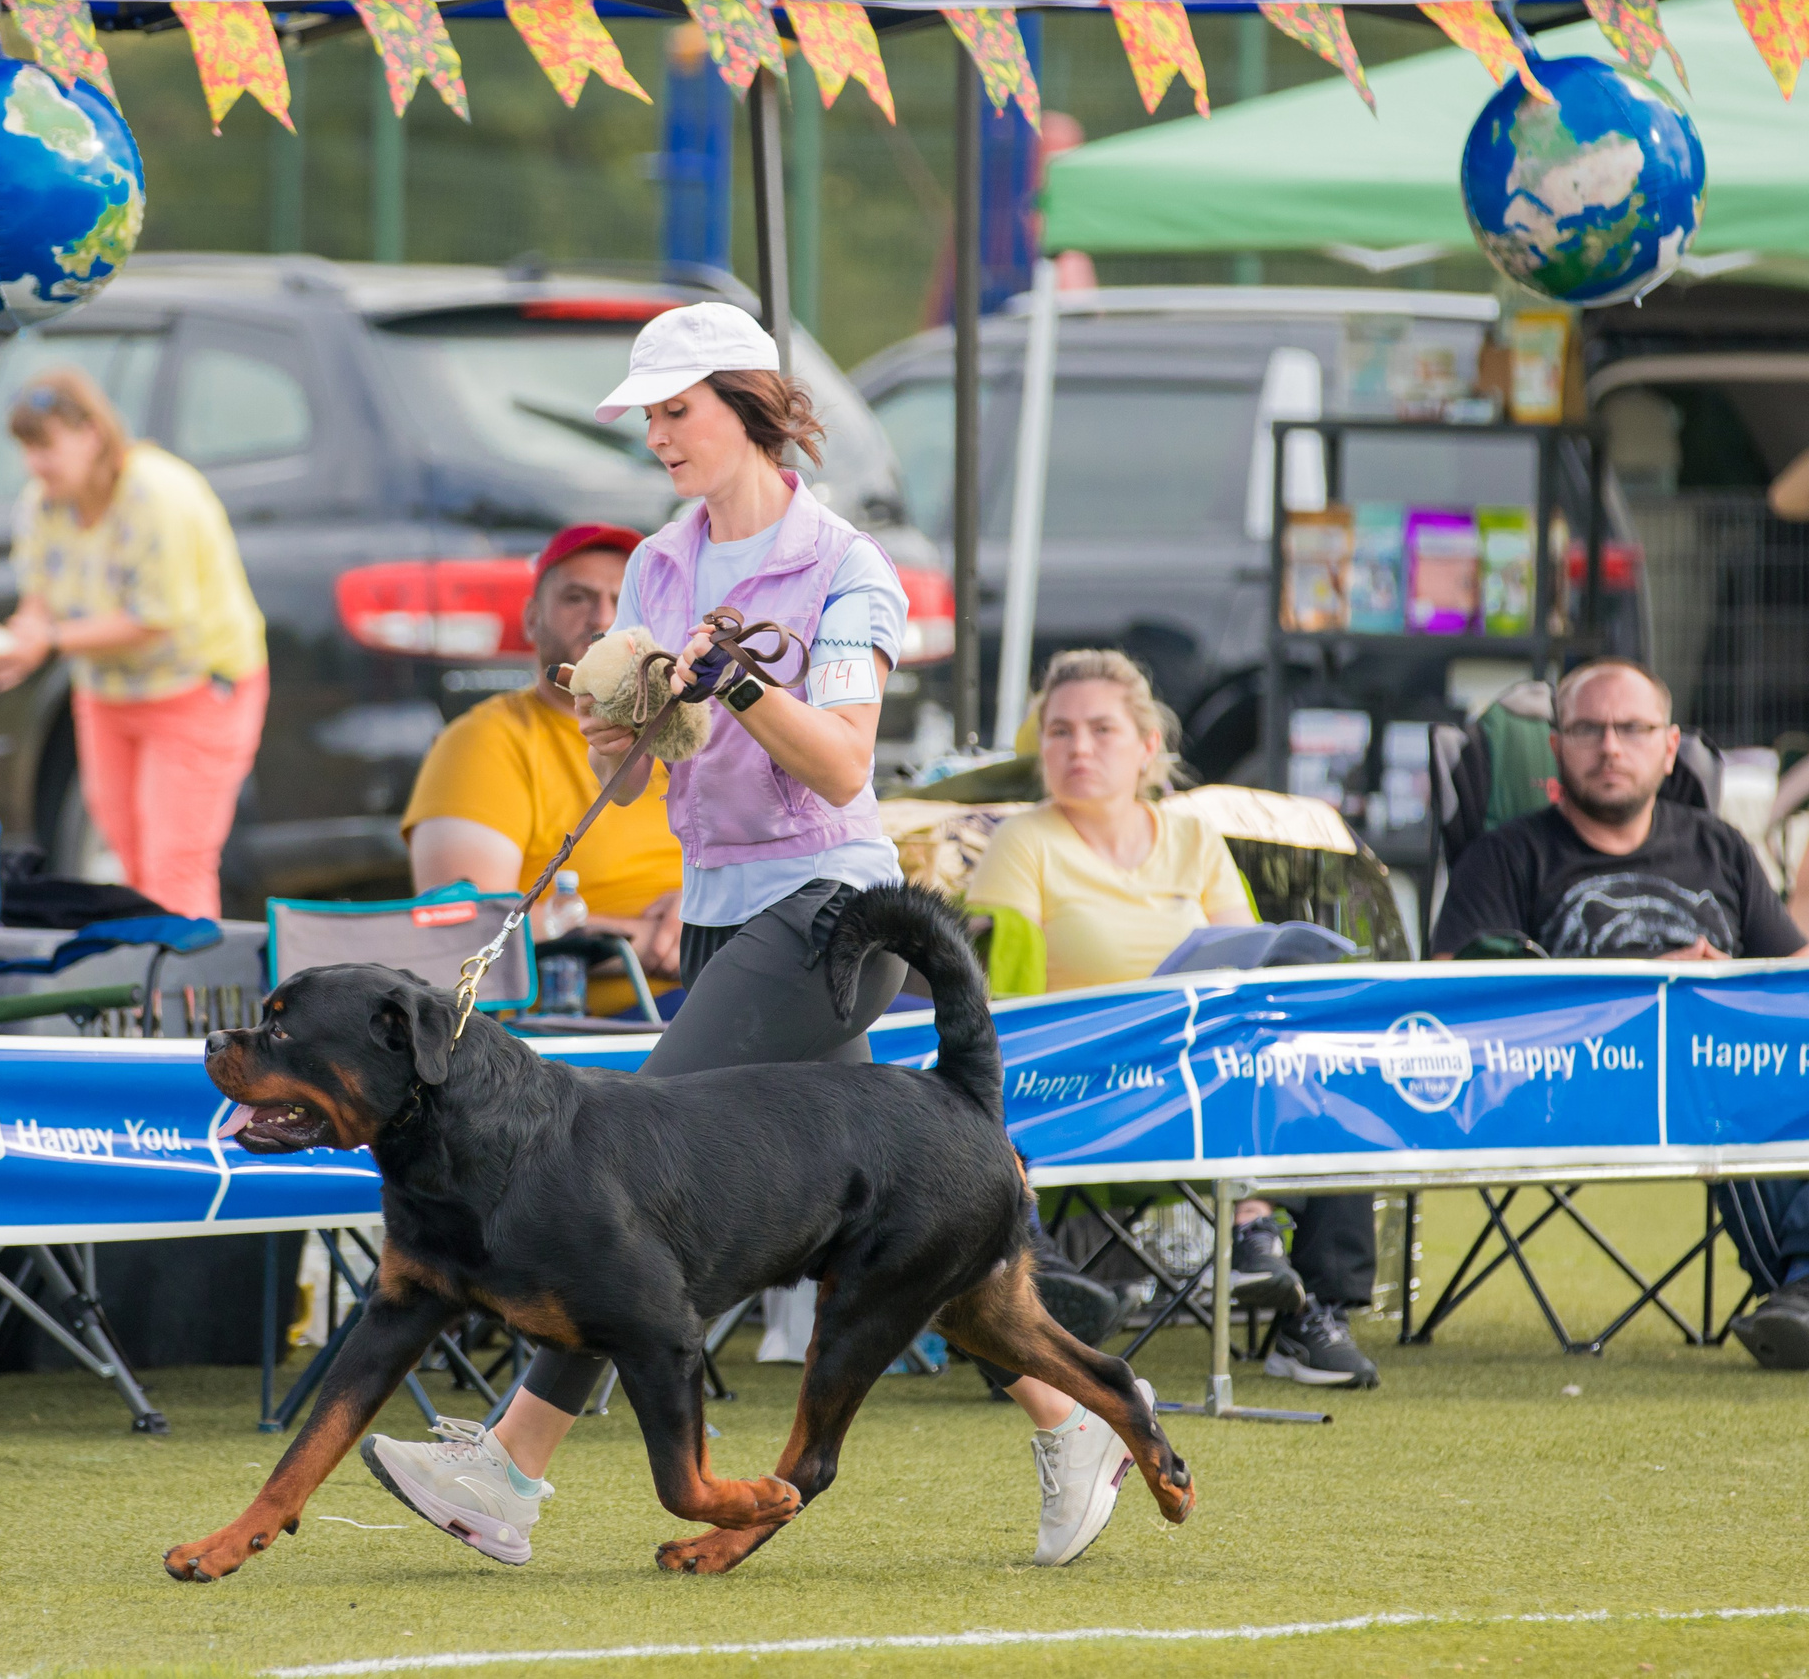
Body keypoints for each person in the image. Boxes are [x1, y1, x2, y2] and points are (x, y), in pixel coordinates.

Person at [360, 300, 1147, 1573]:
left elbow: (839, 766)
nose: (658, 436)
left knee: (616, 1179)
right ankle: (1075, 1419)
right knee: (909, 1217)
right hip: (721, 907)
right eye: (650, 416)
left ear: (746, 406)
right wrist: (622, 722)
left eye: (678, 411)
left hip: (830, 907)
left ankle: (505, 1468)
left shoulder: (850, 566)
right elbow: (643, 758)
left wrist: (733, 679)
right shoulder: (664, 563)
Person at [965, 649, 1383, 1390]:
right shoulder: (1020, 842)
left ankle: (1314, 1311)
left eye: (1100, 729)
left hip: (1202, 1071)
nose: (1078, 748)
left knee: (1327, 1067)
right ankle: (1251, 1234)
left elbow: (1247, 969)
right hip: (1080, 1085)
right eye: (1058, 732)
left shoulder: (1194, 839)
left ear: (1147, 747)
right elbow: (1007, 1006)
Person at [1432, 657, 1809, 1370]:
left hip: (1730, 1062)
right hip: (1577, 1078)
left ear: (1669, 748)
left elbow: (1793, 976)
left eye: (1632, 729)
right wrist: (1646, 987)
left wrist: (1725, 990)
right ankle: (1802, 1286)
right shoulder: (1505, 858)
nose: (1610, 747)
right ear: (1556, 747)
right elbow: (1457, 997)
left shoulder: (1719, 846)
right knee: (1729, 1074)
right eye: (1589, 729)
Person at [0, 368, 267, 920]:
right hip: (108, 694)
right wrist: (12, 647)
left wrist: (47, 641)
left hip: (196, 685)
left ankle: (184, 1004)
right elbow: (41, 604)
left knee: (176, 862)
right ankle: (152, 996)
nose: (34, 464)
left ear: (91, 434)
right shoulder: (42, 504)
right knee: (130, 861)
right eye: (26, 449)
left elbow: (158, 618)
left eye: (45, 446)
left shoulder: (156, 495)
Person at [402, 525, 681, 1015]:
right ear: (532, 620)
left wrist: (706, 915)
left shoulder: (688, 730)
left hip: (716, 993)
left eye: (623, 600)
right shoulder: (488, 742)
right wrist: (655, 941)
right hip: (585, 1035)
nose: (603, 616)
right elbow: (463, 941)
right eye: (577, 597)